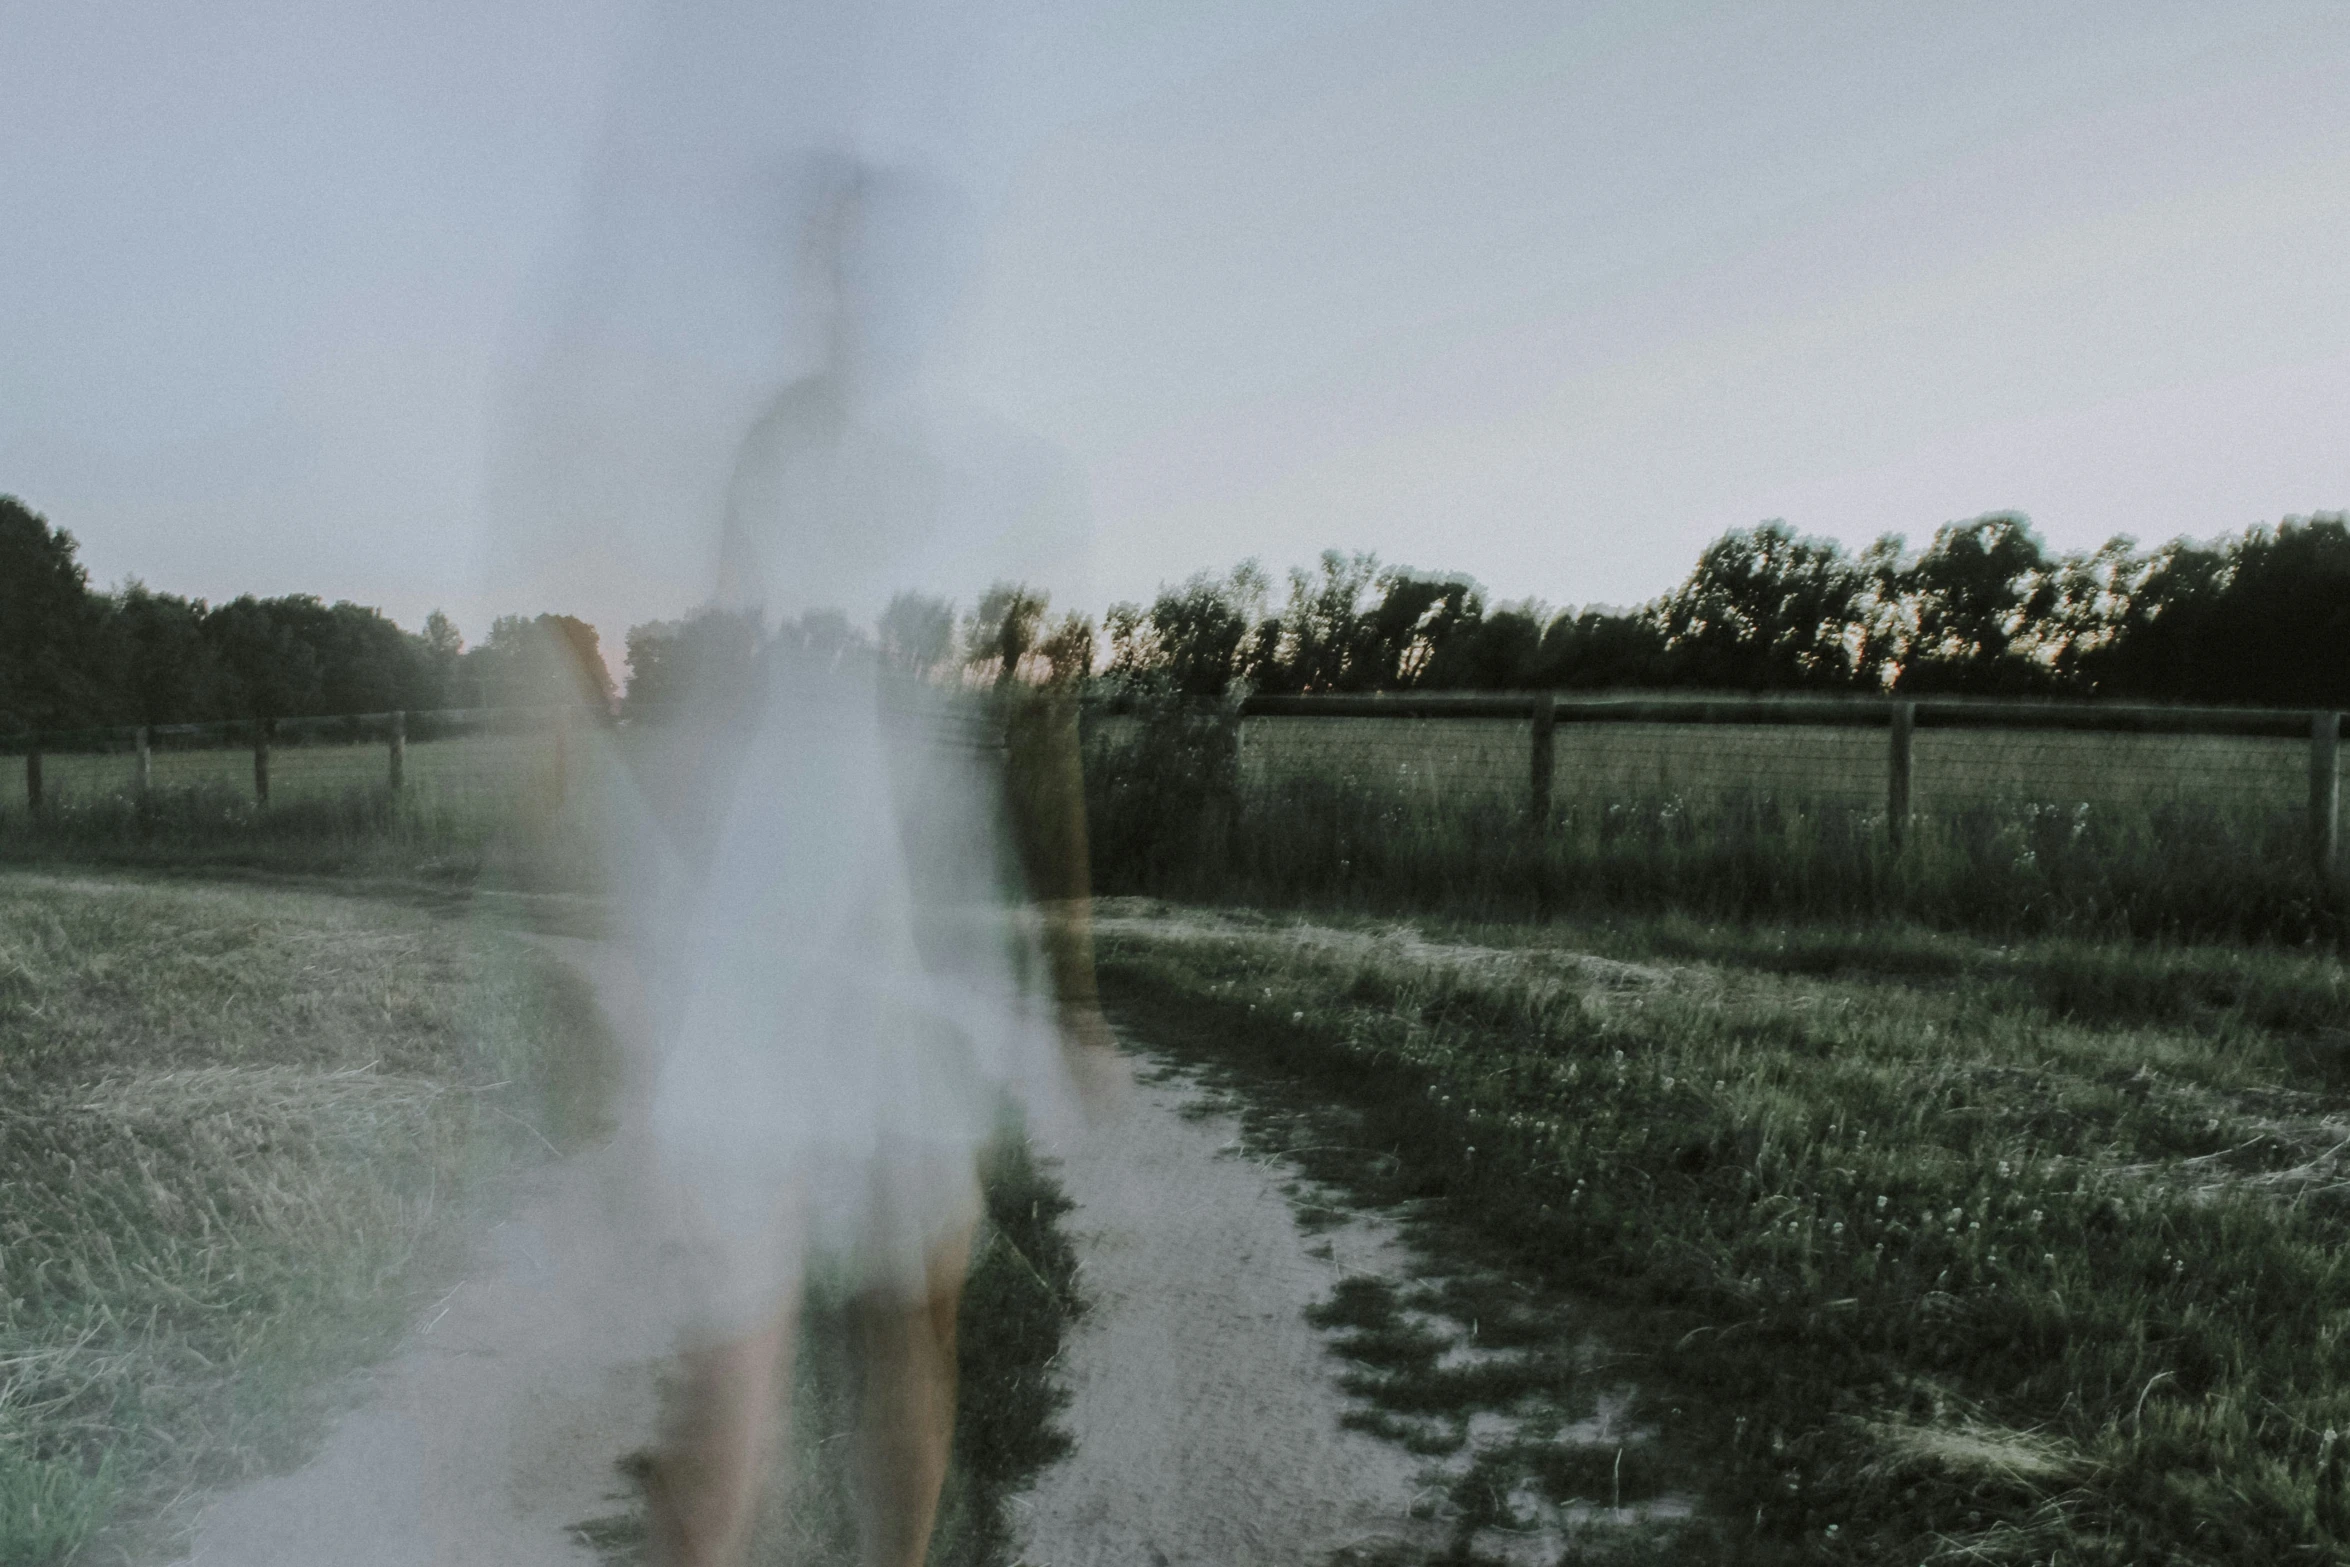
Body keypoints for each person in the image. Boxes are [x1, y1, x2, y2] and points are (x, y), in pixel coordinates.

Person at [625, 155, 1116, 1567]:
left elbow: (1042, 734)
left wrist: (1072, 985)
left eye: (883, 270)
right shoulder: (773, 450)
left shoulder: (1000, 475)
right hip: (776, 903)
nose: (857, 298)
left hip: (922, 912)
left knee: (920, 1298)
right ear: (820, 287)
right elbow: (714, 689)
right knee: (737, 1317)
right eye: (835, 268)